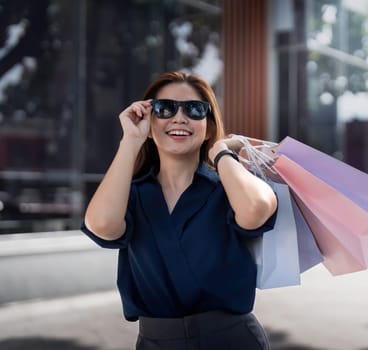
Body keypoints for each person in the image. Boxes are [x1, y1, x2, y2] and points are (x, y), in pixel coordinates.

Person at [81, 71, 278, 350]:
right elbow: (100, 224)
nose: (179, 118)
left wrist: (221, 151)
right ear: (149, 122)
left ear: (208, 126)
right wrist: (131, 140)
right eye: (165, 108)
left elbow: (257, 208)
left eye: (195, 110)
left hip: (231, 341)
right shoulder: (132, 194)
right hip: (155, 342)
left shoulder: (230, 187)